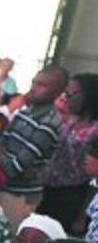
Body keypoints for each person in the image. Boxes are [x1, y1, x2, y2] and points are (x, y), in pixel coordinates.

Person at [0, 66, 69, 227]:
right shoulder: (25, 112)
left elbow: (15, 168)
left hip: (19, 196)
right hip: (1, 187)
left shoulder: (49, 124)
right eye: (34, 82)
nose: (33, 88)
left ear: (57, 91)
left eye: (42, 85)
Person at [40, 73, 98, 230]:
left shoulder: (94, 130)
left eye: (71, 93)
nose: (66, 97)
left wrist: (81, 215)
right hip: (45, 187)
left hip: (72, 196)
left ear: (87, 96)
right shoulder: (67, 119)